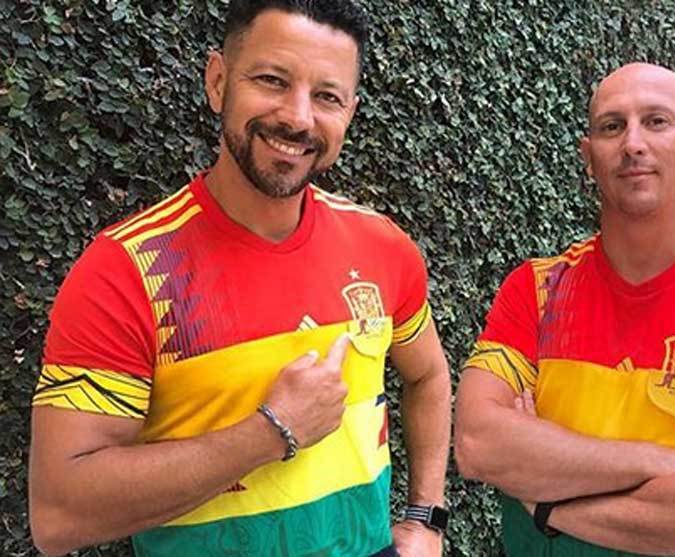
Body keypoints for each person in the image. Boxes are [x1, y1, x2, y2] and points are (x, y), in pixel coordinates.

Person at [28, 2, 451, 556]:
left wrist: (425, 517)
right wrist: (271, 431)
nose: (298, 118)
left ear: (349, 112)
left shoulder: (382, 246)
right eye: (272, 80)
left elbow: (429, 376)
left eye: (327, 96)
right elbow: (59, 516)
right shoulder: (128, 270)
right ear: (218, 81)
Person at [454, 63, 675, 557]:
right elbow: (478, 444)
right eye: (612, 126)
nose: (633, 144)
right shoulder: (536, 290)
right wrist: (661, 461)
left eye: (657, 121)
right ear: (588, 157)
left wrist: (547, 505)